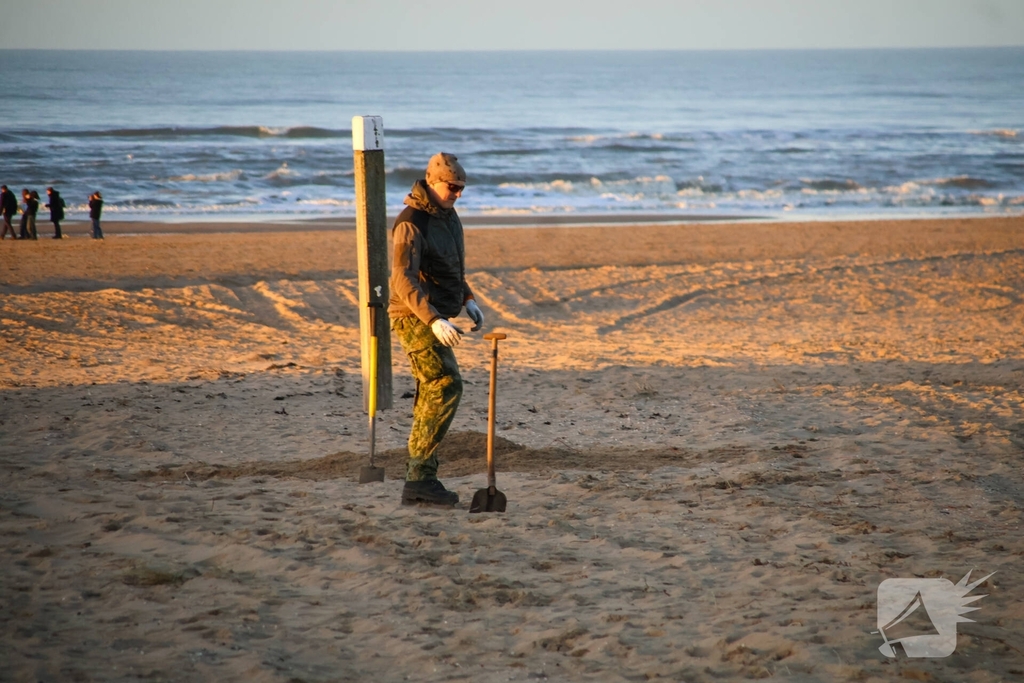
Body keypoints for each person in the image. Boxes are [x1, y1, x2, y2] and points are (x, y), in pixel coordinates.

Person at [388, 152, 484, 507]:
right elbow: (402, 277)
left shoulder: (447, 215)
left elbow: (450, 267)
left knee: (434, 391)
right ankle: (420, 480)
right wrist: (433, 319)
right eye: (452, 187)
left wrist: (467, 298)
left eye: (462, 188)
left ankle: (420, 478)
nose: (458, 194)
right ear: (432, 182)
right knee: (444, 385)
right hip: (412, 316)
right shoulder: (411, 222)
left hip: (436, 313)